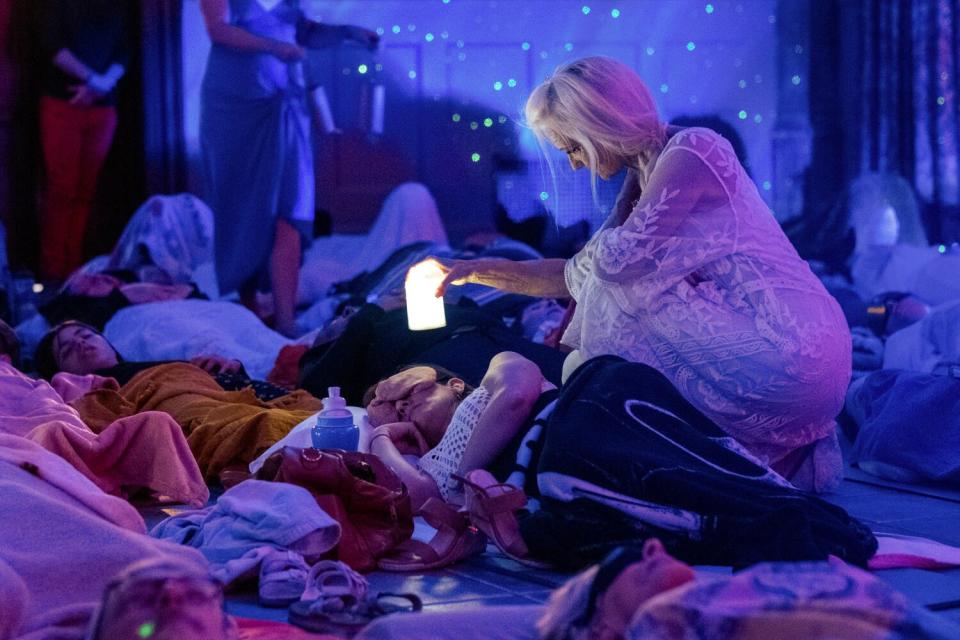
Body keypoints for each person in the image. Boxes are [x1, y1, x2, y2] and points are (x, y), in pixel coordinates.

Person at [435, 56, 852, 492]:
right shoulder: (647, 169)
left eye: (573, 148)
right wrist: (476, 272)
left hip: (793, 345)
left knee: (613, 299)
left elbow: (614, 267)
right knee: (598, 307)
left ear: (599, 123)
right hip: (775, 351)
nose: (576, 165)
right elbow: (576, 275)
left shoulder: (694, 149)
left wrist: (617, 217)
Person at [365, 353, 876, 570]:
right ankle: (771, 521)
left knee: (684, 464)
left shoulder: (495, 375)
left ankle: (777, 505)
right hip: (557, 476)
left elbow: (521, 395)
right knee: (649, 506)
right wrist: (384, 441)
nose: (399, 409)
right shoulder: (429, 461)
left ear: (452, 382)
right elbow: (416, 500)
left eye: (405, 394)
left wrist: (458, 482)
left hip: (587, 412)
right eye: (386, 409)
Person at [199, 0, 378, 337]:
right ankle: (250, 312)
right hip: (236, 107)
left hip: (285, 101)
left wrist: (351, 34)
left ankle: (285, 318)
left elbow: (302, 30)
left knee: (290, 208)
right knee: (244, 209)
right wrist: (275, 47)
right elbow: (218, 29)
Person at [33, 320, 322, 478]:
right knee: (262, 426)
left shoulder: (160, 364)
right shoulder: (102, 392)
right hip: (199, 407)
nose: (81, 343)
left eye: (85, 334)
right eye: (67, 350)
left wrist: (231, 369)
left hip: (250, 395)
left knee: (324, 411)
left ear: (108, 342)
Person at [536, 539, 960, 640]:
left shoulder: (700, 607)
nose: (653, 545)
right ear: (600, 628)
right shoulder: (659, 619)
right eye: (616, 565)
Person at [38, 0, 129, 282]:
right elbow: (51, 44)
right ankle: (54, 269)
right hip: (63, 101)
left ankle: (75, 267)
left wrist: (101, 85)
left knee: (86, 191)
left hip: (103, 105)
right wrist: (91, 80)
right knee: (61, 188)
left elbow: (124, 50)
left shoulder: (117, 6)